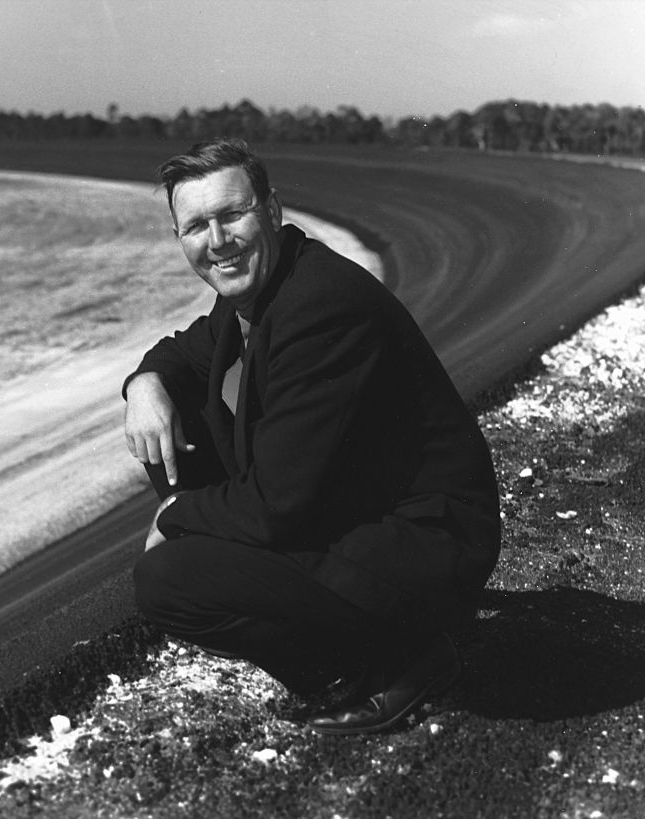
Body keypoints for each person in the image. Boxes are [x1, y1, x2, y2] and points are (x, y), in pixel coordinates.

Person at [122, 137, 500, 735]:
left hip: (427, 541)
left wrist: (175, 517)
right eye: (196, 225)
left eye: (232, 215)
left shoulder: (320, 305)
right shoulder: (256, 292)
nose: (217, 241)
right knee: (176, 411)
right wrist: (143, 385)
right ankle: (365, 640)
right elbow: (182, 353)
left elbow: (276, 507)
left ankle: (400, 663)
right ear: (179, 238)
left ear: (271, 211)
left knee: (167, 582)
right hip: (360, 511)